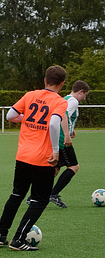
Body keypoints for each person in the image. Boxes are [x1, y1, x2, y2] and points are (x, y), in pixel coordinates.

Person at [0, 65, 69, 251]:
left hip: (22, 156)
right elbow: (53, 123)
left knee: (17, 194)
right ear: (62, 84)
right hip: (42, 159)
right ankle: (18, 239)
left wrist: (28, 118)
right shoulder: (60, 102)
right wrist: (55, 151)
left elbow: (11, 116)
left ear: (45, 80)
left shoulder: (30, 95)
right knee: (40, 200)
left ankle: (1, 234)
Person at [49, 80, 90, 208]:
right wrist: (67, 135)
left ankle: (36, 195)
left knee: (55, 168)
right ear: (81, 91)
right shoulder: (73, 101)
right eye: (85, 95)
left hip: (56, 137)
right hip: (62, 140)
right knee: (73, 167)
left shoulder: (65, 98)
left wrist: (71, 130)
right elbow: (64, 115)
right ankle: (53, 194)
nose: (84, 98)